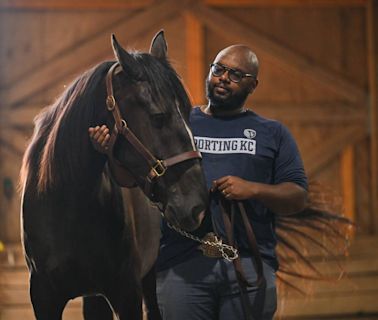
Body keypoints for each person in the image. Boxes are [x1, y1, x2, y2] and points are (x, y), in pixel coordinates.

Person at [89, 44, 308, 320]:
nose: (224, 78)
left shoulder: (272, 133)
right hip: (182, 267)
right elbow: (130, 180)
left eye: (236, 74)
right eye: (219, 69)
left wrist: (252, 189)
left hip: (247, 265)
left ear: (253, 85)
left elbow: (298, 197)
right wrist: (108, 152)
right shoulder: (179, 120)